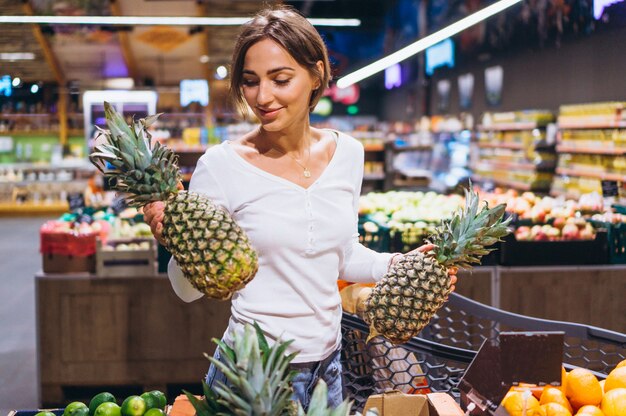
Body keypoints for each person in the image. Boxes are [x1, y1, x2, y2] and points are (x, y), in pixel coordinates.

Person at [143, 5, 457, 410]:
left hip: (328, 366)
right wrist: (174, 241)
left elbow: (340, 256)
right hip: (255, 372)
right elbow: (186, 292)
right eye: (251, 81)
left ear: (316, 74)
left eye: (281, 79)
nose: (263, 96)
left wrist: (395, 265)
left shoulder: (348, 154)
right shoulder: (222, 167)